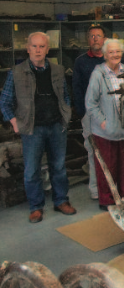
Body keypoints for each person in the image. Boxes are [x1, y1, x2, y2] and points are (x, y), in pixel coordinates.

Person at [0, 32, 75, 223]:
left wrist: (65, 115)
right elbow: (5, 101)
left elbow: (65, 95)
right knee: (32, 170)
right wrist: (15, 123)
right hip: (32, 129)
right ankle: (36, 207)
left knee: (58, 167)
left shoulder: (58, 70)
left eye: (42, 46)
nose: (38, 50)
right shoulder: (16, 72)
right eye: (34, 46)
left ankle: (61, 201)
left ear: (48, 49)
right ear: (28, 49)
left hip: (56, 126)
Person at [85, 39, 124, 210]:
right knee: (107, 165)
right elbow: (90, 103)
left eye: (118, 51)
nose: (115, 55)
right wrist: (103, 122)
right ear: (105, 55)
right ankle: (107, 200)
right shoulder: (98, 74)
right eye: (111, 52)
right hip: (105, 131)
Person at [72, 25, 106, 200]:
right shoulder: (81, 61)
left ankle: (111, 188)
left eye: (98, 36)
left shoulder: (111, 59)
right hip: (90, 116)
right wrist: (82, 112)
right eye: (92, 36)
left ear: (104, 39)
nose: (95, 39)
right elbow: (76, 88)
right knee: (93, 152)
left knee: (111, 152)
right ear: (88, 39)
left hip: (110, 116)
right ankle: (95, 189)